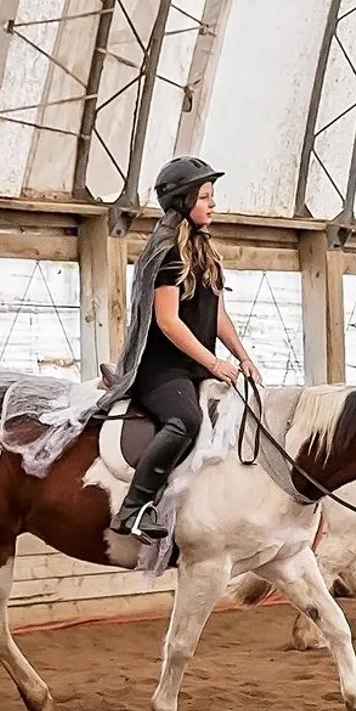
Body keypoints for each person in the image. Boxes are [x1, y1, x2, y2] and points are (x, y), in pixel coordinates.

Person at [105, 156, 262, 541]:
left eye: (212, 196)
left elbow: (217, 316)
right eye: (206, 197)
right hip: (161, 371)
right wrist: (213, 361)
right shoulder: (168, 252)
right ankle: (134, 509)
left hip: (195, 369)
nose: (213, 204)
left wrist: (242, 357)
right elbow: (168, 320)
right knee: (186, 422)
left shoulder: (204, 250)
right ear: (183, 201)